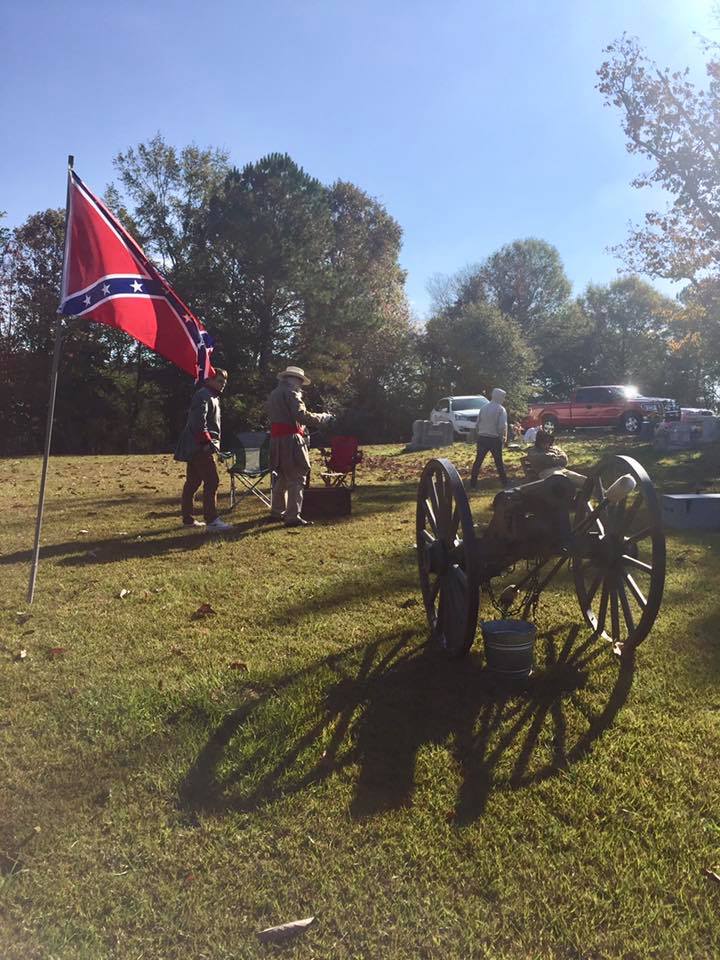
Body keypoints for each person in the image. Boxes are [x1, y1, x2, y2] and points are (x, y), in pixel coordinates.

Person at [267, 365, 332, 527]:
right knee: (297, 476)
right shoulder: (292, 393)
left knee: (281, 477)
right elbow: (301, 416)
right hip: (291, 440)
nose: (301, 385)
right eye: (300, 381)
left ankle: (276, 511)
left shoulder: (274, 394)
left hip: (277, 440)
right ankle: (292, 516)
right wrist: (322, 418)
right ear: (294, 379)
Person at [174, 368, 232, 531]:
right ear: (209, 380)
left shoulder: (211, 396)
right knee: (212, 481)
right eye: (219, 381)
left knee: (193, 482)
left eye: (224, 382)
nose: (223, 385)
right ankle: (212, 519)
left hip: (199, 445)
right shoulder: (203, 395)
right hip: (200, 446)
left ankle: (188, 520)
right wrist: (206, 442)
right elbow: (199, 421)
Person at [470, 388, 508, 488]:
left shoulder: (483, 408)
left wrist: (479, 434)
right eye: (503, 397)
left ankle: (472, 483)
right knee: (499, 462)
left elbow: (477, 424)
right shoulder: (501, 409)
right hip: (494, 439)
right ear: (499, 397)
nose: (504, 399)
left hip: (482, 437)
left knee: (478, 461)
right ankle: (505, 483)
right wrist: (502, 437)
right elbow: (501, 426)